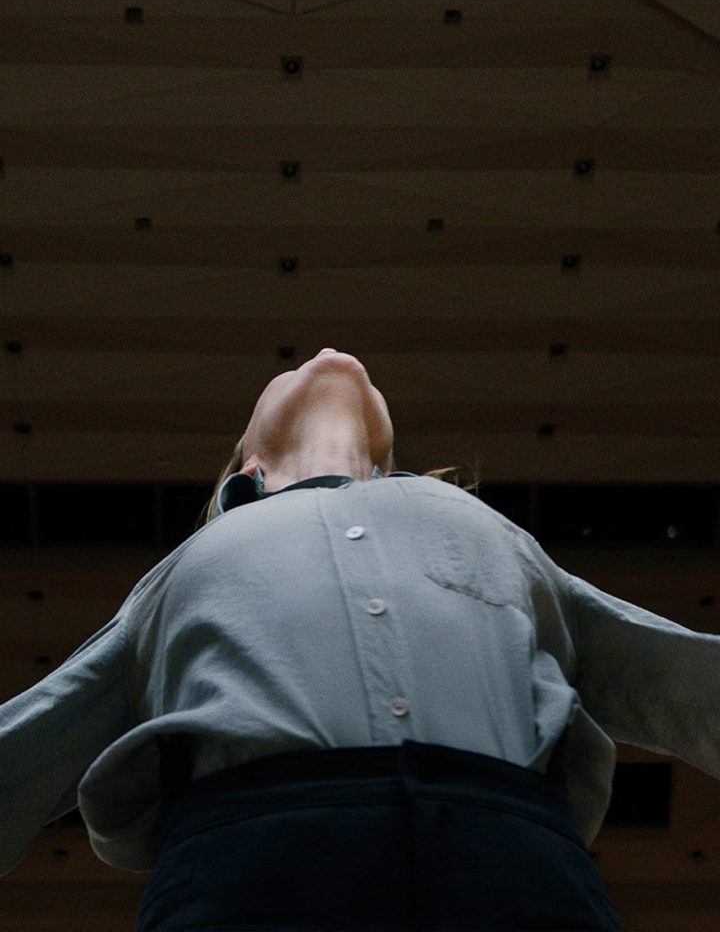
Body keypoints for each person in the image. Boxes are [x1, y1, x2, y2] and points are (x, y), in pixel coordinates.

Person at [2, 348, 719, 931]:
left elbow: (674, 670)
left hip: (513, 854)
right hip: (250, 860)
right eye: (289, 369)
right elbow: (37, 734)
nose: (325, 352)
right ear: (248, 467)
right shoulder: (179, 574)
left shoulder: (493, 533)